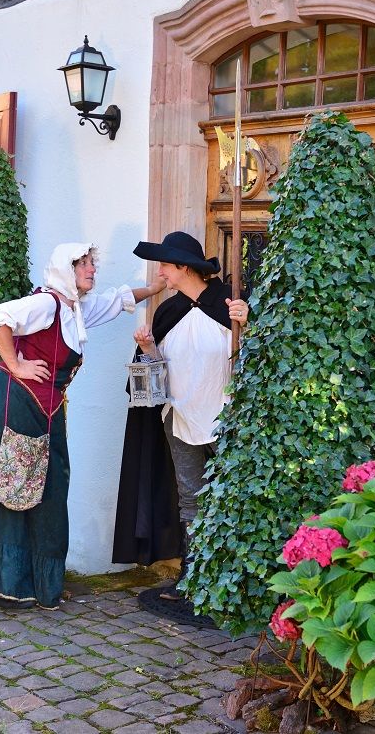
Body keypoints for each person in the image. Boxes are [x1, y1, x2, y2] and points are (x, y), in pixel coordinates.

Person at [0, 242, 164, 609]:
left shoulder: (74, 309)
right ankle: (8, 582)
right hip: (14, 402)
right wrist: (16, 364)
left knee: (45, 488)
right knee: (17, 486)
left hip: (43, 408)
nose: (92, 269)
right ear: (66, 269)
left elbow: (117, 300)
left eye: (92, 263)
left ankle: (30, 578)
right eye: (84, 264)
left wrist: (155, 288)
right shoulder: (47, 304)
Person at [112, 231, 248, 599]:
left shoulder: (230, 303)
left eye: (165, 266)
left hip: (227, 420)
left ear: (184, 267)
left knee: (233, 496)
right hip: (180, 417)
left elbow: (258, 359)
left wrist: (249, 322)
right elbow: (158, 375)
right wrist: (148, 348)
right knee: (190, 498)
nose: (161, 273)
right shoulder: (168, 311)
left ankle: (234, 583)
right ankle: (193, 578)